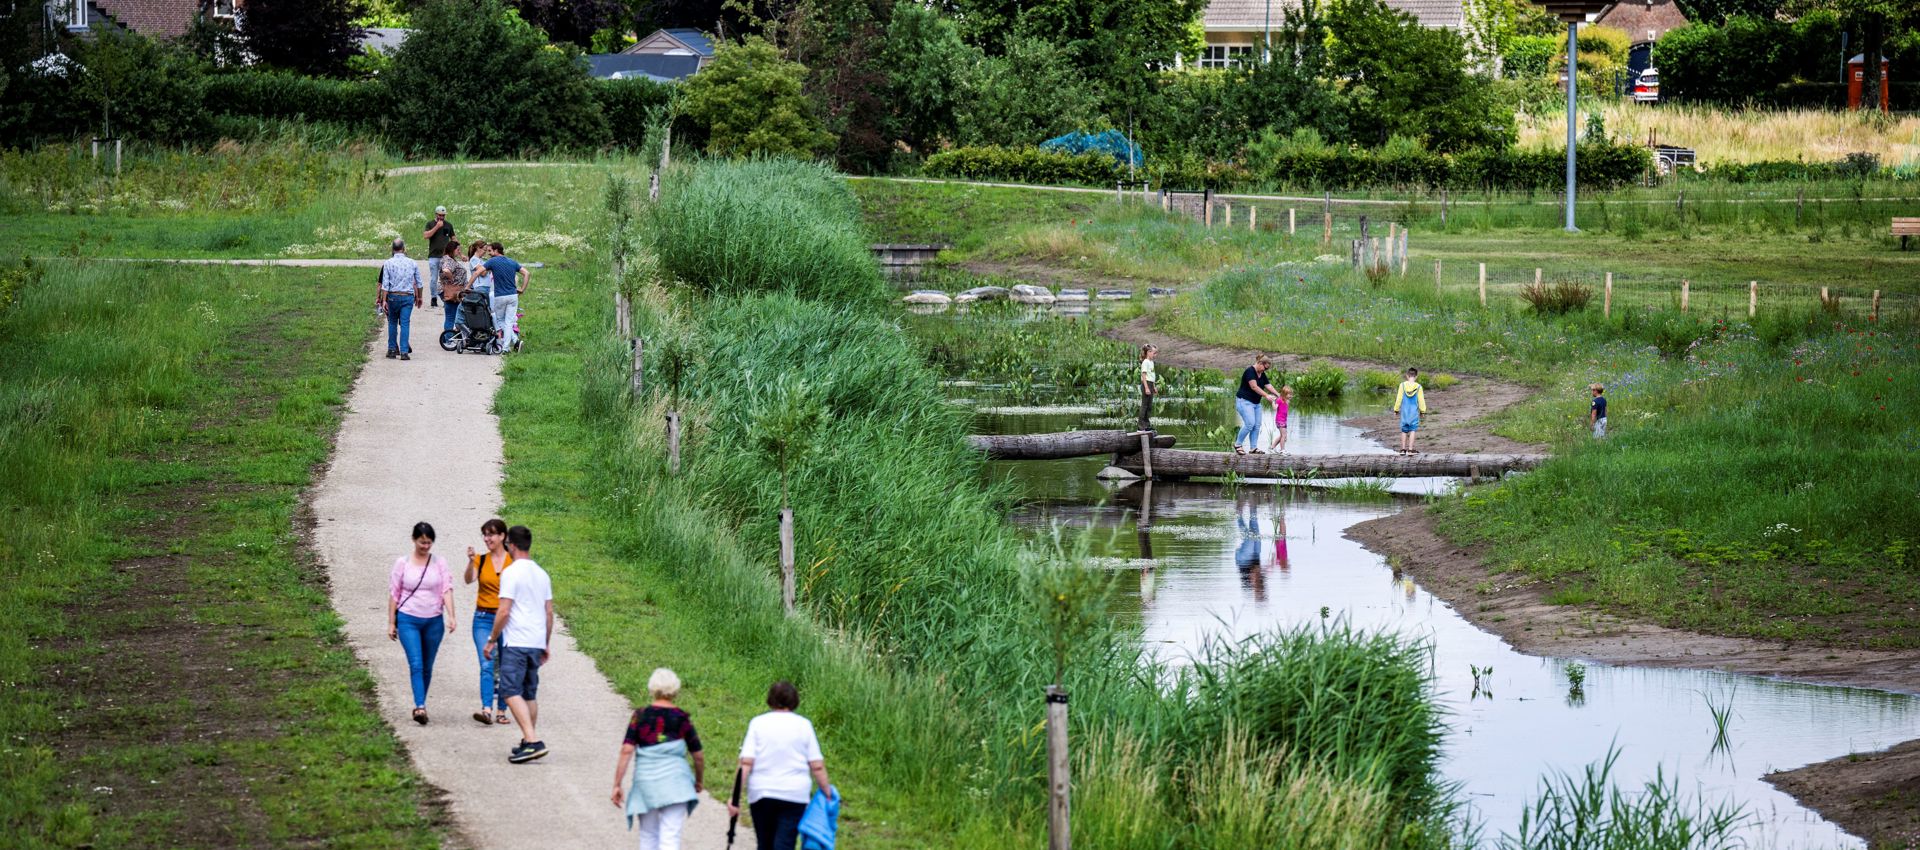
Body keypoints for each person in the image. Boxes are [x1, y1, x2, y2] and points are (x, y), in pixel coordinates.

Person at [728, 681, 833, 850]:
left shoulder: (758, 723)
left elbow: (746, 763)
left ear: (770, 700)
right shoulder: (804, 725)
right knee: (785, 843)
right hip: (794, 795)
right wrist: (827, 792)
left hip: (762, 792)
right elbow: (817, 766)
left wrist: (735, 798)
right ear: (795, 701)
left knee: (764, 843)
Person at [612, 668, 706, 850]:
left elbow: (626, 750)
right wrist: (699, 780)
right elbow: (698, 755)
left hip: (646, 783)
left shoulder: (640, 716)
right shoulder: (681, 717)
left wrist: (617, 783)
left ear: (652, 688)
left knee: (648, 836)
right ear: (675, 689)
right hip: (676, 784)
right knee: (671, 836)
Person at [483, 525, 554, 763]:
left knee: (509, 690)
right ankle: (526, 741)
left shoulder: (511, 573)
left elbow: (504, 611)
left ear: (511, 544)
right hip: (535, 641)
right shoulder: (542, 574)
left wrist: (492, 639)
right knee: (529, 693)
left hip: (516, 642)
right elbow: (549, 613)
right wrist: (545, 643)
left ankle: (533, 741)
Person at [387, 522, 456, 725]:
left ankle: (421, 703)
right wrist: (392, 622)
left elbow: (447, 589)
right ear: (414, 540)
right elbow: (394, 594)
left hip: (434, 620)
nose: (425, 546)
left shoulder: (439, 563)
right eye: (422, 542)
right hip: (409, 619)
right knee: (416, 664)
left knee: (427, 666)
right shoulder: (403, 563)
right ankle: (420, 706)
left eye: (429, 542)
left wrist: (452, 615)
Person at [463, 518, 514, 725]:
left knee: (506, 665)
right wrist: (470, 561)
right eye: (485, 534)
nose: (487, 539)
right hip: (483, 618)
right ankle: (486, 709)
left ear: (502, 536)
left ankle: (502, 710)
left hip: (508, 619)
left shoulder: (513, 561)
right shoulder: (481, 560)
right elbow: (468, 579)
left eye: (491, 534)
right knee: (487, 663)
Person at [378, 238, 423, 360]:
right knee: (405, 323)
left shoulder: (388, 263)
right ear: (404, 248)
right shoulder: (412, 262)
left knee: (392, 322)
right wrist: (419, 297)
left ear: (392, 249)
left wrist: (384, 300)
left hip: (393, 296)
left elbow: (385, 284)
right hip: (407, 296)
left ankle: (392, 349)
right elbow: (419, 283)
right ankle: (404, 352)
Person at [480, 241, 528, 352]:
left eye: (490, 251)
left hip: (500, 296)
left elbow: (479, 272)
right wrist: (522, 289)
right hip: (513, 296)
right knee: (509, 322)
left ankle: (508, 346)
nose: (488, 253)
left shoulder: (492, 261)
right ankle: (514, 342)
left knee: (500, 320)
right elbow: (527, 273)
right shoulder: (512, 262)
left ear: (496, 250)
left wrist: (468, 285)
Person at [1234, 355, 1281, 454]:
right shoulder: (1250, 371)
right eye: (1265, 367)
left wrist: (1278, 394)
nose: (1265, 370)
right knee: (1250, 424)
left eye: (1267, 369)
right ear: (1260, 363)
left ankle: (1253, 448)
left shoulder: (1261, 373)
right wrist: (1266, 396)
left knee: (1257, 425)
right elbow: (1254, 387)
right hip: (1244, 401)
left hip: (1256, 403)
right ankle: (1238, 444)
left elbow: (1268, 385)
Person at [424, 205, 456, 306]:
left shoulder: (449, 225)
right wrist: (437, 226)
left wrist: (459, 252)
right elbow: (426, 235)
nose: (442, 217)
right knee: (434, 278)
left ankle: (446, 297)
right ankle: (434, 298)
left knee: (446, 277)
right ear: (436, 214)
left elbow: (454, 239)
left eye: (443, 215)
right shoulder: (430, 223)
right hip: (433, 256)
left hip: (445, 257)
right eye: (440, 215)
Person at [1392, 368, 1428, 455]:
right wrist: (1422, 411)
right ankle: (1410, 450)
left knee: (1404, 430)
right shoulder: (1418, 387)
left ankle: (1403, 449)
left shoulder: (1402, 385)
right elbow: (1421, 400)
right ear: (1416, 376)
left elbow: (1399, 398)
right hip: (1414, 412)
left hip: (1404, 412)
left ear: (1407, 376)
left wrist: (1396, 409)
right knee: (1412, 430)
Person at [440, 240, 470, 333]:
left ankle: (449, 337)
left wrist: (460, 255)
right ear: (452, 249)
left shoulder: (448, 258)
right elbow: (446, 270)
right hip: (453, 291)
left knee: (451, 315)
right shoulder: (449, 260)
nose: (459, 251)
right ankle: (448, 338)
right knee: (451, 316)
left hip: (453, 290)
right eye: (458, 249)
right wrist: (452, 279)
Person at [1136, 344, 1158, 432]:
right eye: (1154, 353)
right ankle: (1141, 426)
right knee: (1144, 406)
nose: (1155, 355)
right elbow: (1144, 375)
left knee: (1149, 406)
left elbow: (1151, 376)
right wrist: (1146, 388)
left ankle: (1147, 425)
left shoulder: (1151, 362)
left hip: (1151, 384)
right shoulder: (1145, 362)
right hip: (1146, 384)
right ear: (1148, 352)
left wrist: (1154, 387)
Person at [1267, 384, 1294, 454]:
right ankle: (1282, 450)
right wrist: (1273, 401)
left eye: (1291, 394)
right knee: (1283, 436)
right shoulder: (1279, 400)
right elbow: (1275, 408)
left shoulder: (1286, 401)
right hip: (1280, 420)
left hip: (1284, 421)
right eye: (1289, 394)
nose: (1291, 396)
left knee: (1283, 436)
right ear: (1284, 394)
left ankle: (1272, 447)